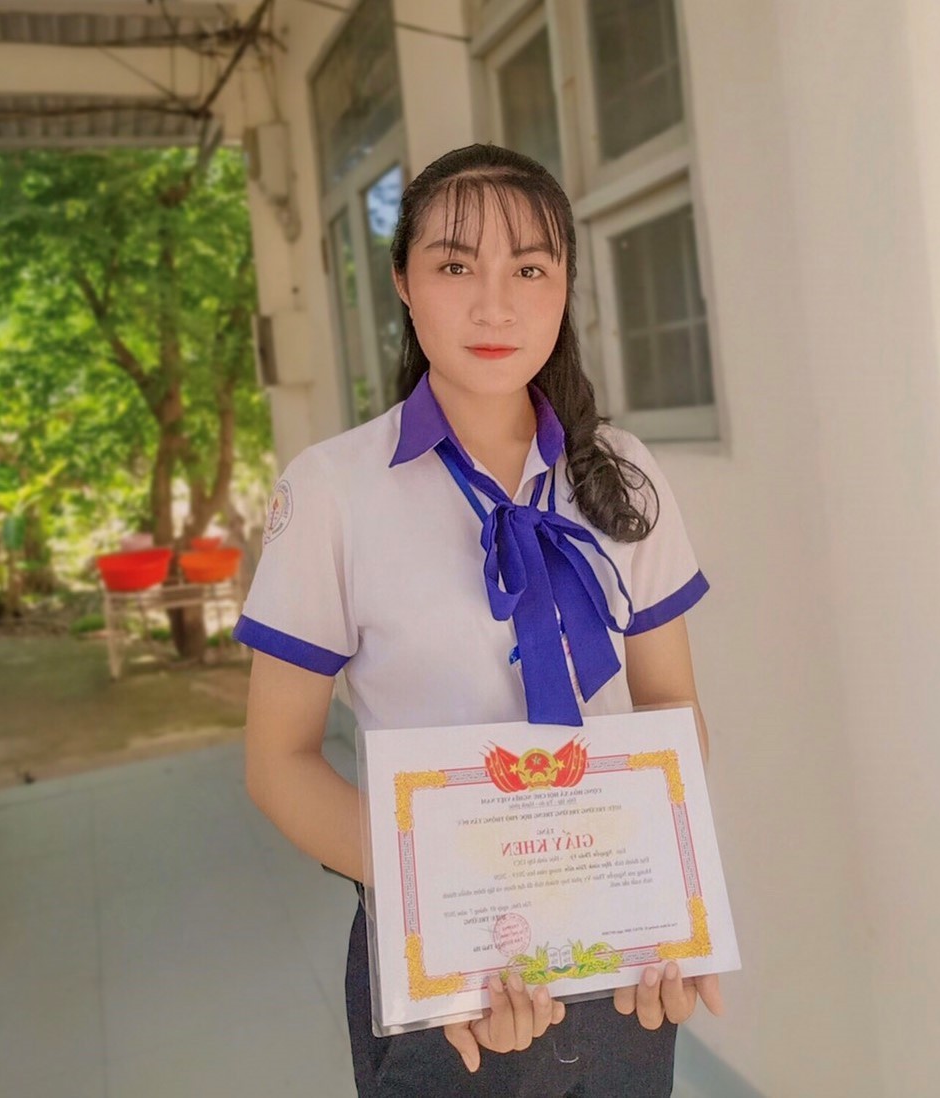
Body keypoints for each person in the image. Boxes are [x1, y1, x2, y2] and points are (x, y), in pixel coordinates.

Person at [234, 143, 723, 1097]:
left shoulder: (622, 472)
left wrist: (666, 895)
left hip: (618, 964)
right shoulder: (333, 490)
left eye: (529, 270)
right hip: (444, 977)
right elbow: (278, 762)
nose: (495, 306)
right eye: (456, 266)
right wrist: (452, 911)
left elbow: (671, 705)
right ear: (404, 284)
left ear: (564, 287)